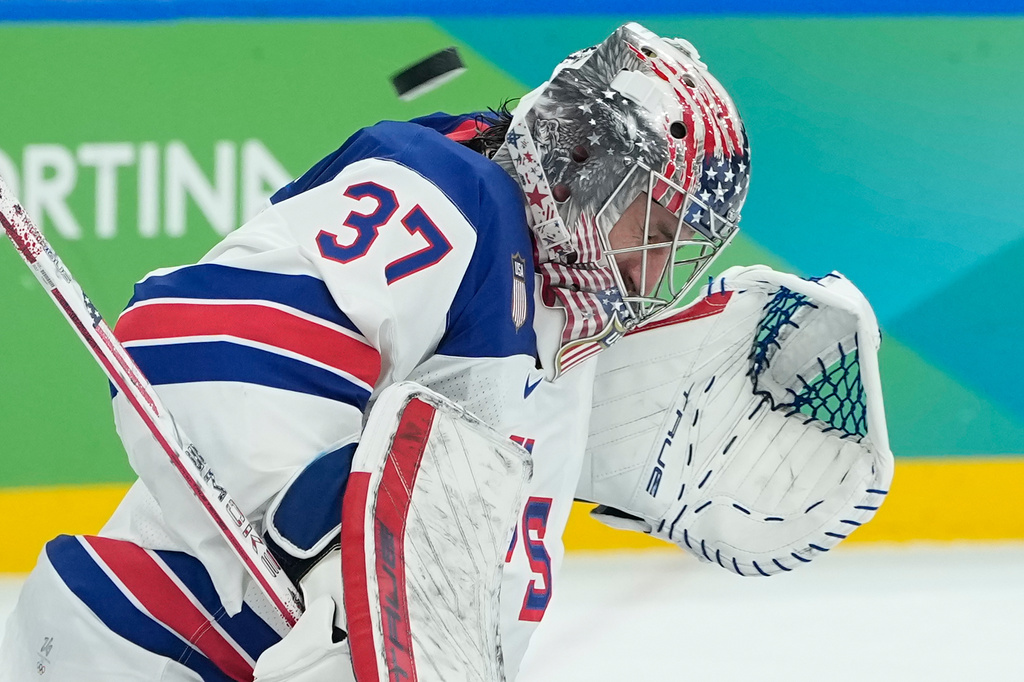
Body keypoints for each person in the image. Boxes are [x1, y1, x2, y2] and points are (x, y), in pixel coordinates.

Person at [0, 22, 749, 681]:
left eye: (681, 241)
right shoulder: (449, 198)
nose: (657, 266)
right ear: (584, 164)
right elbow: (194, 343)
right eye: (652, 220)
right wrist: (339, 549)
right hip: (161, 648)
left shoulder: (560, 314)